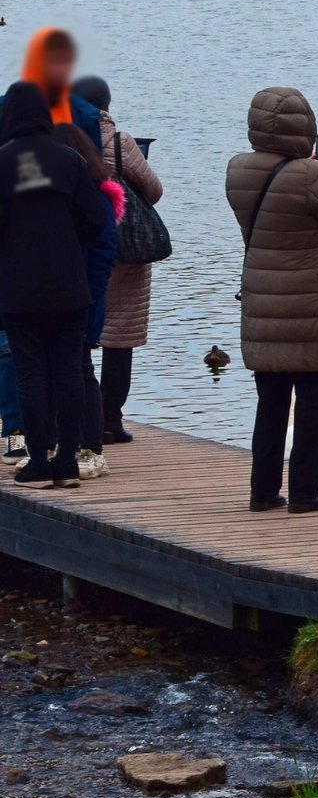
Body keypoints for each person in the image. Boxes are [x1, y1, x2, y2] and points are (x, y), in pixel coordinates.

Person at [226, 87, 318, 515]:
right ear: (305, 125)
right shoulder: (310, 175)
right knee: (310, 401)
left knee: (269, 404)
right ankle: (304, 492)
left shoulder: (237, 169)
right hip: (311, 305)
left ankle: (262, 492)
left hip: (264, 304)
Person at [0, 27, 102, 467]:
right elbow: (97, 222)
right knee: (67, 370)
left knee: (30, 372)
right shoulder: (71, 160)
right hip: (67, 285)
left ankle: (37, 457)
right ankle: (68, 458)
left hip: (18, 288)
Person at [73, 77, 164, 445]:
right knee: (120, 336)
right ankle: (110, 418)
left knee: (81, 332)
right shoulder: (120, 142)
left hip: (81, 245)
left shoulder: (65, 140)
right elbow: (154, 191)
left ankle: (78, 414)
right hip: (127, 249)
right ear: (107, 106)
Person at [53, 124, 123, 480]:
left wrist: (90, 296)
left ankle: (90, 446)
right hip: (73, 294)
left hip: (81, 297)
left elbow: (101, 254)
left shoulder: (91, 197)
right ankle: (67, 441)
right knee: (68, 368)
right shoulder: (82, 193)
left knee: (80, 368)